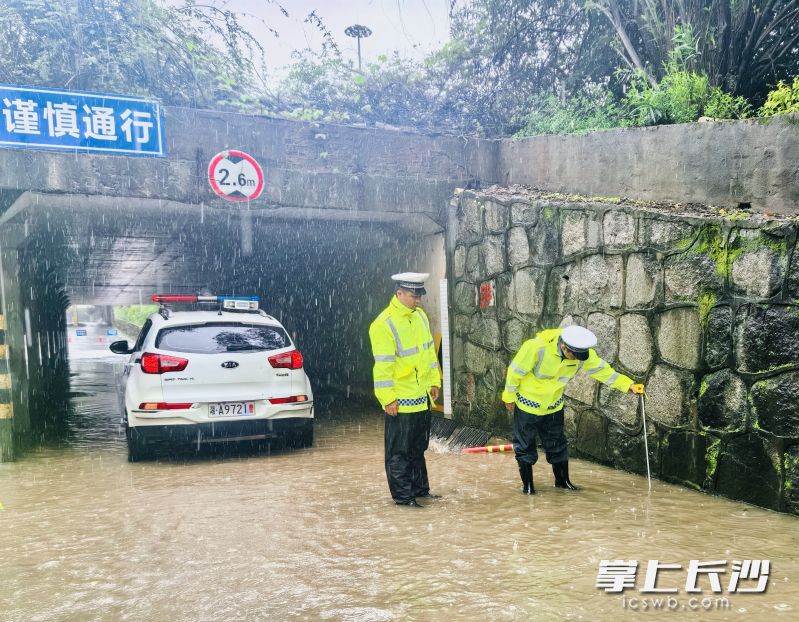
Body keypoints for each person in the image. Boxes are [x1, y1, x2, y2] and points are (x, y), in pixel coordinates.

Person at [502, 325, 644, 495]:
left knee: (558, 445)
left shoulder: (580, 354)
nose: (576, 359)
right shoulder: (536, 348)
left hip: (553, 406)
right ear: (563, 346)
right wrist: (508, 397)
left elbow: (603, 371)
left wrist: (628, 385)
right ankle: (528, 488)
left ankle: (563, 483)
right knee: (525, 447)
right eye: (573, 355)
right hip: (527, 406)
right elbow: (514, 373)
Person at [369, 272, 442, 507]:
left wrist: (434, 382)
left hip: (421, 398)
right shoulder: (383, 324)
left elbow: (429, 353)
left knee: (417, 448)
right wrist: (388, 398)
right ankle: (403, 498)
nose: (418, 300)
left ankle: (420, 491)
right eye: (413, 295)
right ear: (399, 293)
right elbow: (383, 367)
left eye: (420, 295)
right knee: (398, 452)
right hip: (400, 400)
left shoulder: (420, 317)